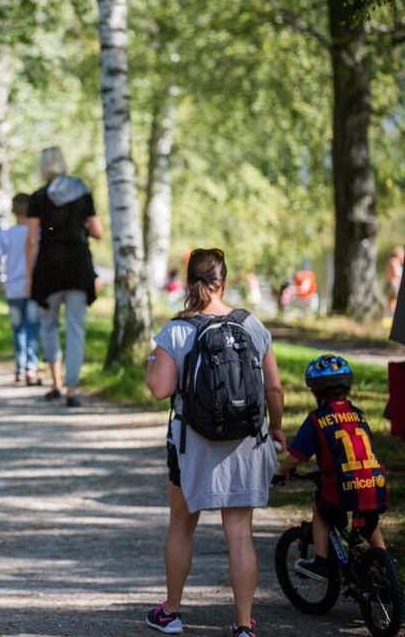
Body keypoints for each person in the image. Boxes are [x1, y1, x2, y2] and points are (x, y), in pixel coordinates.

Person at [144, 248, 285, 637]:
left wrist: (152, 361)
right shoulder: (252, 325)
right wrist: (276, 428)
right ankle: (243, 625)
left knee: (181, 526)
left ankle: (171, 612)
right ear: (224, 281)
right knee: (239, 533)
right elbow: (274, 387)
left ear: (190, 283)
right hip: (245, 442)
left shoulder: (177, 330)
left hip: (194, 444)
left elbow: (160, 390)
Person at [274, 354, 388, 581]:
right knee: (369, 521)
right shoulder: (358, 414)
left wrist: (280, 472)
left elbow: (296, 456)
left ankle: (321, 562)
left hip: (344, 486)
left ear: (316, 391)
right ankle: (386, 568)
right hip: (375, 481)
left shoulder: (318, 419)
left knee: (321, 511)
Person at [25, 146, 103, 407]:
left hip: (48, 268)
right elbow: (98, 231)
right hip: (78, 267)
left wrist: (28, 276)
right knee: (75, 328)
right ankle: (72, 389)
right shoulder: (83, 192)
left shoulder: (37, 197)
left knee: (49, 326)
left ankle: (56, 383)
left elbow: (32, 240)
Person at [0, 193, 39, 385]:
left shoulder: (6, 235)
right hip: (34, 288)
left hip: (14, 288)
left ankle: (20, 368)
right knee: (32, 327)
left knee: (18, 329)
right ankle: (31, 367)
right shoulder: (38, 233)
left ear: (14, 211)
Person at [387, 246, 404, 319]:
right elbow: (396, 273)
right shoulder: (394, 261)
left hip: (390, 284)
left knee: (391, 300)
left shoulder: (391, 260)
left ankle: (389, 315)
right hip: (394, 284)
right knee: (394, 301)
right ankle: (391, 315)